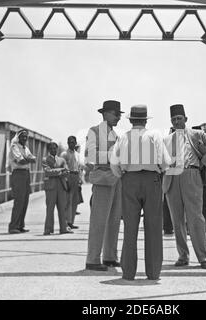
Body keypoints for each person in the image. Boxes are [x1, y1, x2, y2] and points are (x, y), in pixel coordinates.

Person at [111, 105, 171, 280]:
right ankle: (153, 272)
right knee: (153, 227)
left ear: (130, 120)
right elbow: (166, 162)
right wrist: (158, 170)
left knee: (130, 227)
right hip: (152, 180)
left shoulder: (123, 137)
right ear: (145, 120)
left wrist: (123, 174)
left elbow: (114, 163)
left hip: (129, 180)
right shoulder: (155, 135)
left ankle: (128, 272)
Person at [163, 104, 206, 269]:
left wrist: (205, 161)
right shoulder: (167, 139)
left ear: (185, 119)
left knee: (196, 218)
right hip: (172, 177)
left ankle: (203, 258)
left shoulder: (197, 134)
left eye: (179, 118)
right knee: (177, 220)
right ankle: (183, 256)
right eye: (174, 119)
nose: (176, 122)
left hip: (191, 174)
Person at [84, 100, 123, 271]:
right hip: (103, 178)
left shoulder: (115, 134)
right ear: (105, 113)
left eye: (119, 115)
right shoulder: (94, 131)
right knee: (99, 220)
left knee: (114, 220)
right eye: (116, 114)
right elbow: (91, 155)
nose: (118, 118)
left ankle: (109, 256)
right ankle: (92, 259)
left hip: (116, 179)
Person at [8, 129, 36, 234]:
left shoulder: (26, 148)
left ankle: (20, 225)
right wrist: (27, 159)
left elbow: (33, 159)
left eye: (26, 137)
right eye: (23, 136)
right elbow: (21, 160)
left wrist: (25, 159)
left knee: (25, 201)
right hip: (18, 174)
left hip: (26, 174)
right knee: (19, 201)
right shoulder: (14, 146)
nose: (24, 138)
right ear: (18, 137)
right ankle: (13, 226)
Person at [42, 142, 73, 235]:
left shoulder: (62, 160)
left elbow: (67, 171)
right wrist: (60, 170)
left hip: (61, 186)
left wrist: (56, 172)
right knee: (50, 209)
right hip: (50, 188)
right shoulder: (45, 160)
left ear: (57, 149)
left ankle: (63, 228)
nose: (53, 150)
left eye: (55, 148)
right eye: (51, 148)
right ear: (48, 150)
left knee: (62, 208)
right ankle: (48, 229)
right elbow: (47, 172)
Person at [192, 125, 206, 233]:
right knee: (204, 202)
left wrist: (201, 163)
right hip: (204, 176)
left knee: (197, 202)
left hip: (200, 175)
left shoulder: (198, 144)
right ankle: (205, 226)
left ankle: (200, 226)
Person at [61, 136, 82, 229]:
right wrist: (65, 179)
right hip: (68, 176)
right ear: (67, 143)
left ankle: (71, 221)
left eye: (73, 142)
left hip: (76, 176)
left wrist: (80, 180)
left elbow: (79, 167)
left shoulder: (77, 154)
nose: (71, 144)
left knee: (74, 201)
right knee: (68, 200)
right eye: (70, 142)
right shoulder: (64, 154)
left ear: (75, 143)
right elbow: (62, 167)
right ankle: (66, 221)